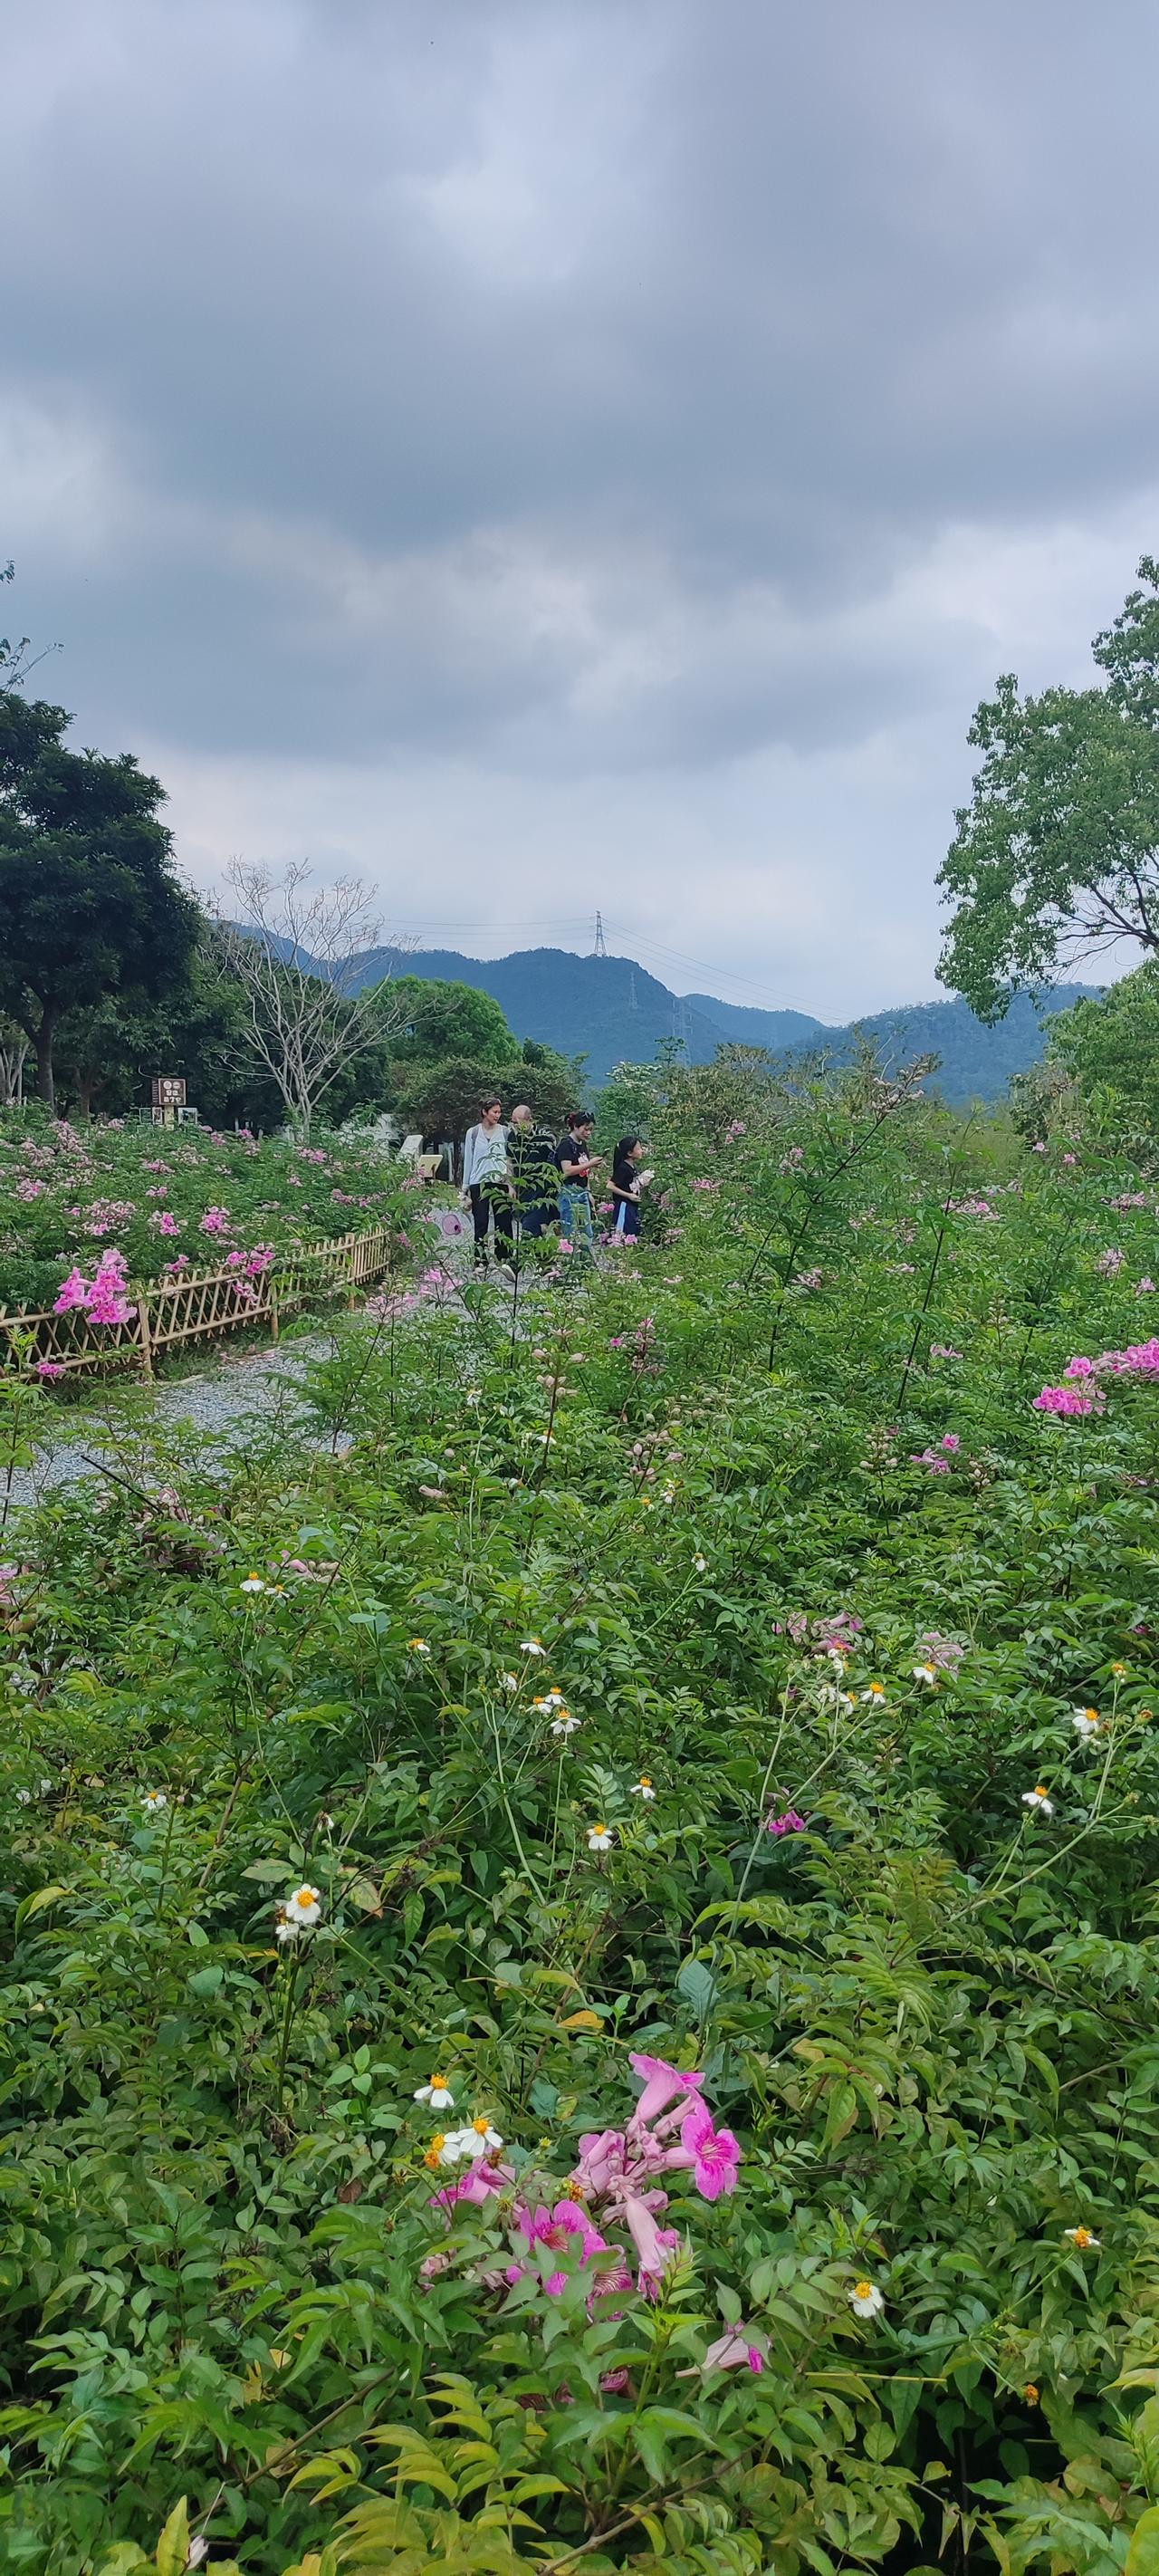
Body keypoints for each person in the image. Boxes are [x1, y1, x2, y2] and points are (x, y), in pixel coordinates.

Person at [462, 1096, 513, 1269]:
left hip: (500, 1181)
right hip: (479, 1182)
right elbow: (468, 1159)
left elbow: (509, 1159)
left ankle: (504, 1257)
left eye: (499, 1112)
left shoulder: (505, 1132)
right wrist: (465, 1188)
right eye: (494, 1112)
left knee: (503, 1221)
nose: (497, 1115)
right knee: (481, 1221)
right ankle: (480, 1259)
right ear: (485, 1112)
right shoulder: (473, 1133)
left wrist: (510, 1183)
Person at [509, 1101, 559, 1241]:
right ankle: (539, 1256)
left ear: (529, 1120)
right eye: (513, 1122)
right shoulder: (512, 1136)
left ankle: (526, 1256)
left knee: (530, 1226)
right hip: (521, 1189)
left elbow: (553, 1160)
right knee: (529, 1223)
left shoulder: (544, 1137)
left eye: (518, 1123)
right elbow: (509, 1161)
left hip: (540, 1189)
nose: (515, 1126)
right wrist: (510, 1185)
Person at [554, 1110, 599, 1259]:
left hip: (582, 1192)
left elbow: (584, 1172)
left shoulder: (583, 1145)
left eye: (590, 1130)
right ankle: (571, 1264)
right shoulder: (566, 1145)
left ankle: (586, 1265)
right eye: (585, 1129)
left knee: (587, 1231)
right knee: (571, 1231)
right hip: (568, 1192)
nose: (588, 1133)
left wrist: (589, 1191)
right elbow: (566, 1170)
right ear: (575, 1126)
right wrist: (590, 1163)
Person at [609, 1135, 650, 1239]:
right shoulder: (623, 1168)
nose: (642, 1151)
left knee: (632, 1234)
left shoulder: (632, 1167)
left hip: (632, 1205)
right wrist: (628, 1195)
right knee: (621, 1235)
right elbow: (610, 1185)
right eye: (639, 1148)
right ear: (629, 1153)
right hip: (624, 1205)